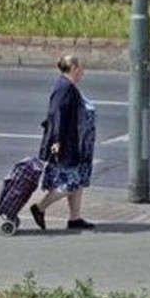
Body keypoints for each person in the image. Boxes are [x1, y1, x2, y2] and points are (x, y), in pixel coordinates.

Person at [30, 54, 97, 231]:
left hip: (74, 142)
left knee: (78, 180)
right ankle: (39, 208)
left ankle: (75, 218)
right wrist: (57, 140)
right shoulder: (64, 87)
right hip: (66, 143)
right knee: (71, 183)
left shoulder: (69, 86)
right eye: (81, 68)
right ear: (74, 69)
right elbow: (56, 115)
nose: (83, 71)